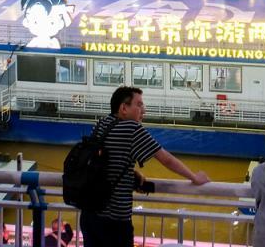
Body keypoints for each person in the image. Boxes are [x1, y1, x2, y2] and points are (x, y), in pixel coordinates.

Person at [82, 86, 209, 247]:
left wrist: (131, 172)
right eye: (139, 105)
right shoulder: (132, 128)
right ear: (124, 108)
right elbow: (166, 159)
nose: (144, 110)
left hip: (89, 215)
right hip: (114, 220)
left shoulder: (101, 123)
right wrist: (194, 177)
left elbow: (102, 160)